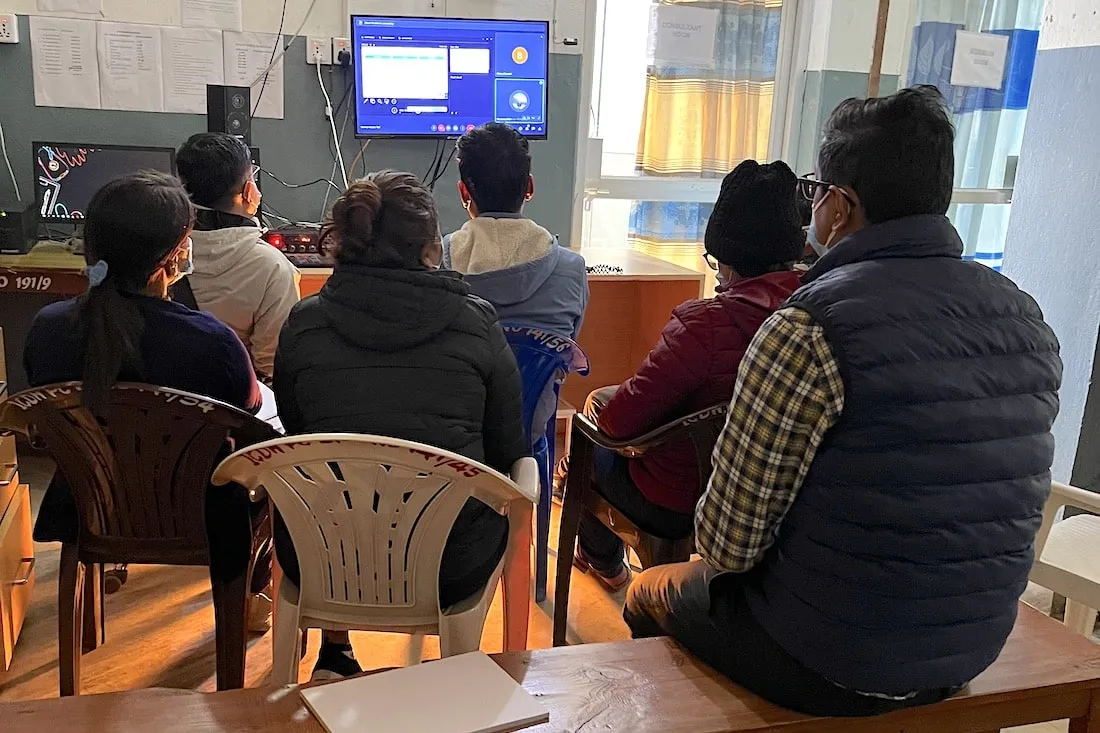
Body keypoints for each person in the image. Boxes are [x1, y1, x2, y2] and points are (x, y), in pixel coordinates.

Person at [623, 86, 1062, 716]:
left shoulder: (808, 328)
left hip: (830, 658)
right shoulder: (1026, 318)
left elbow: (725, 543)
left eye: (815, 189)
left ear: (840, 207)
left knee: (649, 591)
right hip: (969, 647)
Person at [274, 170, 526, 680]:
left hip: (324, 559)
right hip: (448, 566)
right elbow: (507, 448)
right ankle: (453, 672)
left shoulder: (303, 325)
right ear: (433, 249)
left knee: (332, 484)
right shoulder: (477, 324)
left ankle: (335, 651)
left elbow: (302, 439)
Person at [23, 171, 273, 629]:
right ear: (175, 255)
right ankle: (253, 600)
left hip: (91, 502)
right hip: (202, 512)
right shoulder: (213, 342)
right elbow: (250, 413)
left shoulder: (49, 329)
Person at [573, 160, 804, 590]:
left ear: (730, 260)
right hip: (773, 503)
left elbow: (620, 422)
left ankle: (605, 564)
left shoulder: (704, 326)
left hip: (678, 497)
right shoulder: (815, 314)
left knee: (585, 443)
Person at [443, 123, 588, 341]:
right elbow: (565, 354)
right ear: (529, 186)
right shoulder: (572, 270)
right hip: (537, 377)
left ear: (464, 193)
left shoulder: (438, 269)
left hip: (464, 376)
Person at [174, 132, 300, 380]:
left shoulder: (160, 252)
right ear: (249, 192)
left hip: (162, 397)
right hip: (234, 407)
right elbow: (273, 367)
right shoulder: (273, 268)